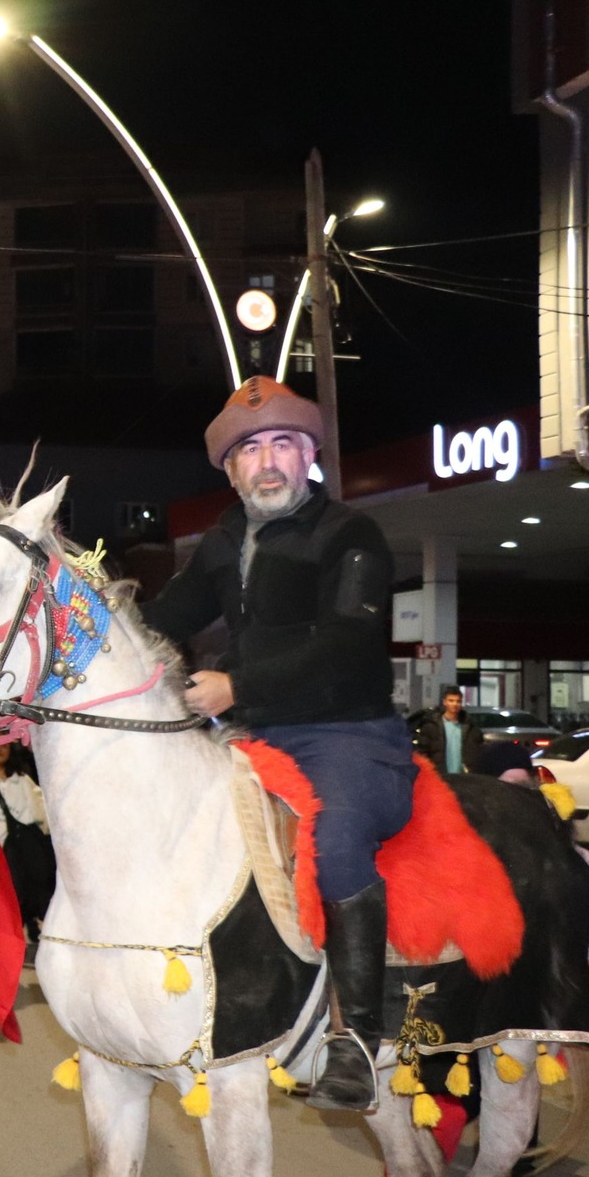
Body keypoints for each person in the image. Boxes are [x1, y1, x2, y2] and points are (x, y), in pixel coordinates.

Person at [140, 376, 409, 1112]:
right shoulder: (224, 538)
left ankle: (359, 1038)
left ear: (309, 454)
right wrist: (102, 626)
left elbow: (350, 643)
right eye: (251, 448)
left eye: (284, 444)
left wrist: (236, 684)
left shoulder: (351, 534)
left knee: (342, 834)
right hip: (258, 732)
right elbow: (170, 614)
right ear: (229, 468)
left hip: (349, 735)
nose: (268, 461)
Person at [0, 744, 53, 948]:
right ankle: (3, 949)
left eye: (3, 746)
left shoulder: (21, 778)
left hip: (28, 848)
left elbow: (41, 812)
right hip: (0, 851)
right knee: (6, 902)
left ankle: (36, 935)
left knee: (39, 892)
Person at [411, 686, 484, 774]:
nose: (455, 704)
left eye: (458, 701)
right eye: (451, 700)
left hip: (463, 777)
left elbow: (478, 751)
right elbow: (423, 752)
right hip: (440, 775)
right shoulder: (432, 727)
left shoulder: (470, 728)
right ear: (444, 702)